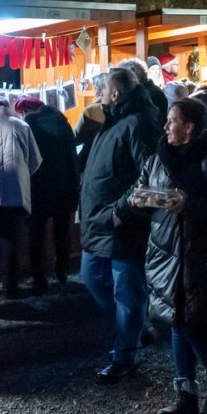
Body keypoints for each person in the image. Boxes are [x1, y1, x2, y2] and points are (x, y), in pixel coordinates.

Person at [131, 97, 207, 414]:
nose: (165, 126)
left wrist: (189, 204)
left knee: (193, 323)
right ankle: (186, 398)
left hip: (199, 254)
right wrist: (125, 208)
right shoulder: (159, 158)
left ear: (189, 127)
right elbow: (140, 193)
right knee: (177, 320)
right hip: (167, 254)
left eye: (172, 120)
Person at [80, 65, 159, 381]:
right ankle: (135, 330)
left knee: (127, 290)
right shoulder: (109, 121)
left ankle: (126, 355)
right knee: (91, 276)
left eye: (103, 89)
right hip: (99, 221)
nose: (98, 94)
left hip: (121, 223)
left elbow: (151, 177)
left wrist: (122, 211)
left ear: (115, 93)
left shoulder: (138, 123)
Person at [0, 96, 41, 298]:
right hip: (16, 191)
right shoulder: (22, 126)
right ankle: (10, 286)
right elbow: (35, 160)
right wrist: (22, 176)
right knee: (11, 239)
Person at [16, 96, 80, 293]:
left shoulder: (31, 125)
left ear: (28, 111)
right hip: (64, 186)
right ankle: (61, 271)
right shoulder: (63, 124)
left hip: (40, 187)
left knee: (37, 233)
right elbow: (72, 157)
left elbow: (28, 158)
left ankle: (38, 276)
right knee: (62, 233)